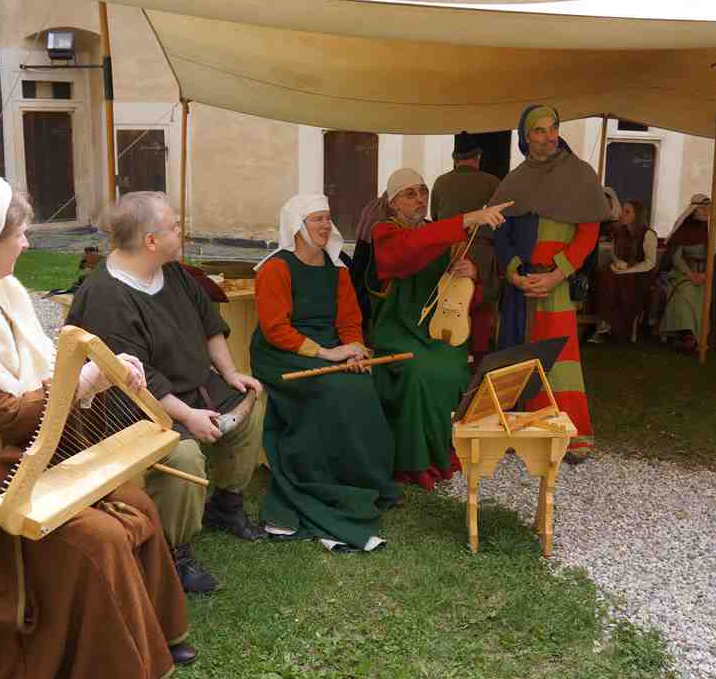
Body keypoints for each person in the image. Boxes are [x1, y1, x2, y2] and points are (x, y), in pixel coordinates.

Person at [0, 176, 194, 678]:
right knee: (95, 538)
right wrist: (85, 378)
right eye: (20, 235)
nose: (27, 244)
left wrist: (101, 370)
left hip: (18, 459)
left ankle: (151, 636)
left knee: (133, 503)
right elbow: (13, 418)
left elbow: (47, 376)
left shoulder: (2, 291)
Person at [66, 191, 265, 595]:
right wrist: (188, 417)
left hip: (193, 386)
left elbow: (210, 324)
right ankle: (175, 550)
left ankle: (226, 505)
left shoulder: (172, 273)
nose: (181, 231)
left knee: (251, 405)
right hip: (134, 405)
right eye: (174, 226)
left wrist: (230, 374)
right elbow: (136, 380)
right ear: (151, 241)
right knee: (183, 456)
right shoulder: (105, 295)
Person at [250, 194, 400, 551]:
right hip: (282, 353)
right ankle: (318, 479)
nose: (325, 225)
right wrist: (327, 354)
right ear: (297, 226)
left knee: (362, 384)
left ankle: (363, 481)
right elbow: (275, 329)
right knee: (332, 390)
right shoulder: (275, 269)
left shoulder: (338, 269)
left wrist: (353, 349)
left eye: (327, 218)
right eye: (316, 219)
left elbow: (349, 320)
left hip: (330, 347)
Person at [364, 168, 510, 490]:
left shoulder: (442, 234)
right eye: (410, 194)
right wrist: (467, 219)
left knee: (453, 368)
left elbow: (467, 297)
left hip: (436, 332)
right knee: (419, 372)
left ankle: (443, 452)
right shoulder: (385, 233)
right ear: (393, 203)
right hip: (397, 332)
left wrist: (471, 274)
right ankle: (415, 462)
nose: (420, 199)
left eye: (423, 191)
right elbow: (408, 251)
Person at [491, 104, 609, 460]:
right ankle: (521, 429)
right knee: (517, 354)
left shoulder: (580, 174)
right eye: (539, 130)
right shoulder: (514, 180)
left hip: (556, 283)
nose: (549, 137)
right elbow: (501, 232)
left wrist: (557, 274)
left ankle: (569, 434)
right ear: (526, 137)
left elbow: (588, 234)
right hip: (522, 285)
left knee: (560, 360)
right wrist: (514, 272)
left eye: (553, 128)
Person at [430, 131, 503, 366]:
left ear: (455, 158)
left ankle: (448, 355)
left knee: (448, 305)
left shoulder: (441, 182)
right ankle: (478, 359)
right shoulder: (493, 182)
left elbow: (435, 218)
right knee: (480, 307)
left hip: (449, 252)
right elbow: (502, 222)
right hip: (482, 254)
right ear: (478, 157)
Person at [656, 194, 716, 352]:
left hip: (709, 276)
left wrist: (706, 274)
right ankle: (686, 334)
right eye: (702, 207)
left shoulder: (715, 229)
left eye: (709, 207)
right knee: (685, 292)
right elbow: (676, 257)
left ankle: (699, 336)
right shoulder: (683, 229)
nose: (706, 211)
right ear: (693, 209)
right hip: (684, 273)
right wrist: (691, 274)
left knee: (705, 294)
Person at [589, 200, 657, 343]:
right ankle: (604, 324)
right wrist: (617, 262)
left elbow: (650, 262)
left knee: (617, 280)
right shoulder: (619, 231)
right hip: (622, 270)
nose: (622, 215)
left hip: (640, 274)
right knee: (604, 274)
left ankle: (615, 326)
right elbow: (614, 252)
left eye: (627, 212)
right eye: (623, 211)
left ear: (637, 215)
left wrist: (629, 270)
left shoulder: (648, 234)